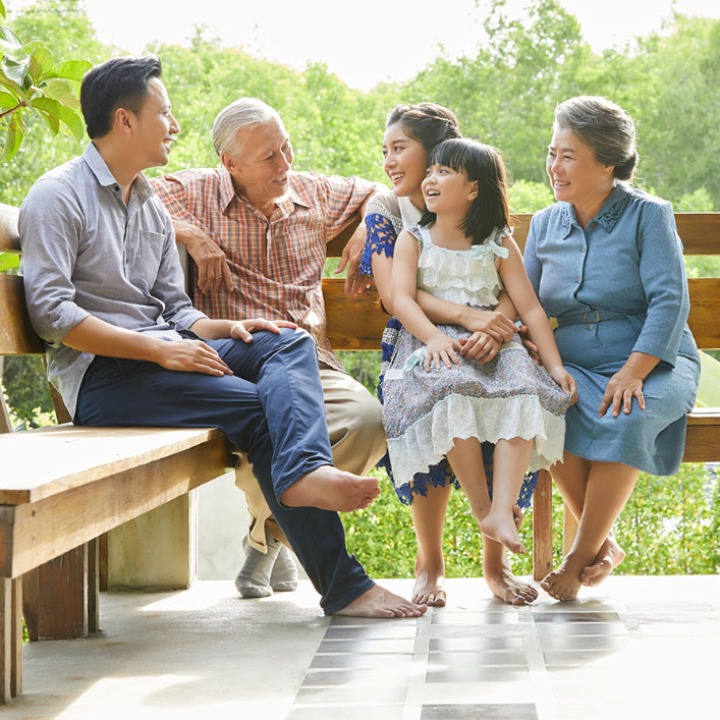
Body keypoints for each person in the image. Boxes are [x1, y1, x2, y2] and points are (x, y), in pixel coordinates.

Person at [18, 55, 426, 619]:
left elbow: (176, 310)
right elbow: (50, 315)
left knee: (287, 340)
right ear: (125, 120)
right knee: (262, 410)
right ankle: (344, 585)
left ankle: (305, 473)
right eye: (165, 113)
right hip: (105, 377)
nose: (176, 126)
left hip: (166, 354)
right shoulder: (58, 195)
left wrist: (226, 329)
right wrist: (160, 347)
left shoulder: (149, 206)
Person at [150, 98, 387, 599]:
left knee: (368, 420)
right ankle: (277, 540)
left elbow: (379, 190)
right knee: (270, 422)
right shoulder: (191, 192)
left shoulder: (313, 193)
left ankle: (267, 537)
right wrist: (187, 230)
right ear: (230, 163)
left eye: (286, 148)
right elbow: (131, 193)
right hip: (231, 365)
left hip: (307, 360)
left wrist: (368, 224)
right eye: (269, 157)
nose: (286, 165)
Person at [361, 105, 568, 607]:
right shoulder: (395, 217)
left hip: (495, 341)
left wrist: (498, 331)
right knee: (444, 393)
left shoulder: (491, 232)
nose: (391, 161)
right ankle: (431, 563)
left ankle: (495, 563)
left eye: (401, 149)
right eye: (385, 150)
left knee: (513, 389)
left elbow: (517, 297)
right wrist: (458, 325)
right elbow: (400, 297)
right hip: (427, 341)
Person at [524, 95, 701, 601]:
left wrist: (633, 372)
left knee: (628, 413)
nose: (554, 166)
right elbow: (528, 303)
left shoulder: (648, 214)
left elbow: (670, 301)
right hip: (572, 359)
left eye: (568, 156)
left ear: (607, 163)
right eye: (552, 152)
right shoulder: (544, 223)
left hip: (653, 355)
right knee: (547, 408)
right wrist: (529, 349)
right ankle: (603, 545)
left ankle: (581, 555)